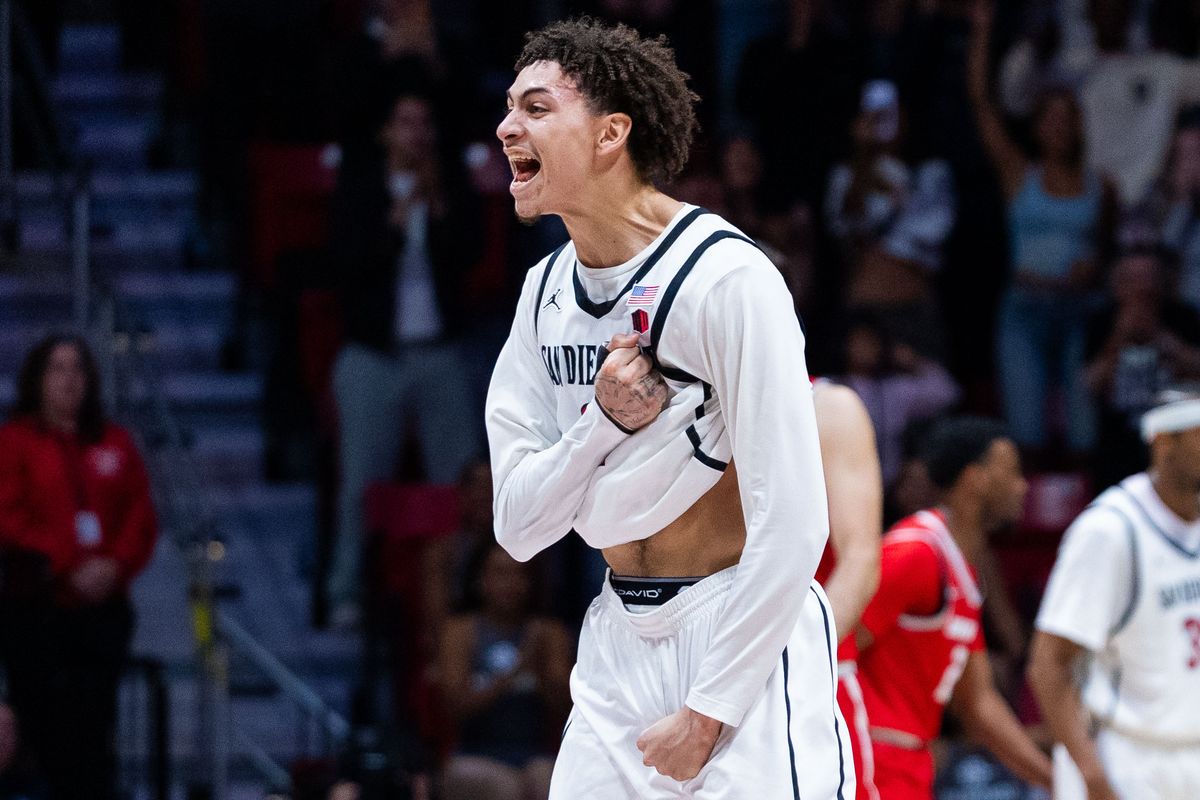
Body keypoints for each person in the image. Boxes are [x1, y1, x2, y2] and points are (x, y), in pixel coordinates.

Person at [486, 17, 848, 799]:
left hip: (738, 634)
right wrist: (601, 428)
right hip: (618, 633)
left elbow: (794, 522)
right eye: (511, 107)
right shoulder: (543, 293)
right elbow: (518, 528)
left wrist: (710, 712)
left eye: (537, 108)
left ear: (611, 132)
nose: (506, 125)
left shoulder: (727, 280)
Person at [328, 89, 483, 626]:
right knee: (360, 483)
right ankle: (345, 590)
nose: (415, 133)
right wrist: (397, 221)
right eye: (405, 122)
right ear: (386, 132)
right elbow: (347, 265)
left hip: (438, 353)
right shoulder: (360, 189)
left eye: (424, 123)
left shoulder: (449, 187)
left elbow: (471, 255)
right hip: (375, 355)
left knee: (461, 481)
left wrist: (437, 207)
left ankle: (469, 587)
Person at [854, 417, 1052, 799]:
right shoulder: (915, 553)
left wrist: (1052, 780)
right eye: (1011, 472)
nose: (1022, 486)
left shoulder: (958, 565)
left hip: (908, 762)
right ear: (976, 479)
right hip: (872, 757)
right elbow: (830, 647)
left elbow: (979, 704)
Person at [0, 334, 158, 800]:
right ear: (37, 378)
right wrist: (70, 564)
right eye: (58, 368)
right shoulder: (15, 442)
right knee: (45, 727)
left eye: (78, 369)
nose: (70, 380)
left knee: (95, 727)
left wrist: (114, 566)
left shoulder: (116, 442)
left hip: (102, 609)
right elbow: (10, 517)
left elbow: (140, 516)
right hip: (39, 607)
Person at [1028, 388, 1200, 800]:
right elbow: (1048, 665)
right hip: (1126, 757)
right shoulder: (1110, 530)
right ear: (1164, 442)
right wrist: (1092, 773)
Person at [969, 0, 1114, 458]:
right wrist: (982, 31)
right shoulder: (1018, 174)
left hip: (1079, 314)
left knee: (1085, 434)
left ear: (1078, 126)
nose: (1057, 126)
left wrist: (1093, 270)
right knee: (1025, 432)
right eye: (1049, 117)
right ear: (1035, 126)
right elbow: (982, 104)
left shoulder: (1100, 186)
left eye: (1066, 117)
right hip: (1025, 313)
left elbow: (1110, 253)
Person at [438, 544, 572, 800]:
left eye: (519, 574)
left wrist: (543, 670)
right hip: (473, 752)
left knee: (550, 782)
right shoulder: (460, 631)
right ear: (480, 579)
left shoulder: (547, 632)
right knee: (506, 788)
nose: (510, 583)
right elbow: (454, 708)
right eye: (499, 573)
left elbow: (566, 709)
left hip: (534, 751)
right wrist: (513, 673)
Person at [811, 379, 884, 800]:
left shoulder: (828, 408)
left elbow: (860, 559)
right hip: (689, 667)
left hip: (808, 672)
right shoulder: (666, 401)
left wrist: (795, 657)